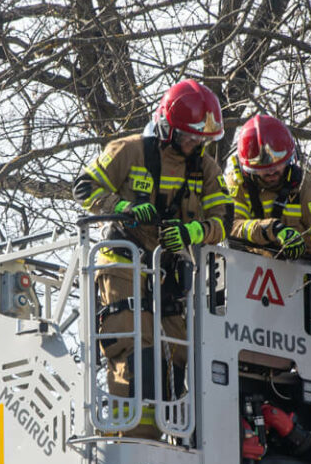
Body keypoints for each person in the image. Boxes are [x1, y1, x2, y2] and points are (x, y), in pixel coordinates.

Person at [72, 79, 232, 438]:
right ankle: (131, 435)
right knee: (133, 341)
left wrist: (193, 233)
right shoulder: (128, 151)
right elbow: (84, 188)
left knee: (179, 352)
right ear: (167, 128)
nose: (196, 145)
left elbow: (224, 221)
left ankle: (174, 434)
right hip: (123, 258)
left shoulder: (204, 170)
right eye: (191, 137)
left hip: (170, 266)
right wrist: (123, 208)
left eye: (203, 140)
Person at [225, 113, 311, 344]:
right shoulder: (237, 184)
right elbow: (230, 227)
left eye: (278, 166)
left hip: (301, 293)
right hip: (245, 288)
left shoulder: (308, 188)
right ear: (247, 168)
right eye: (265, 168)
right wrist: (273, 230)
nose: (273, 172)